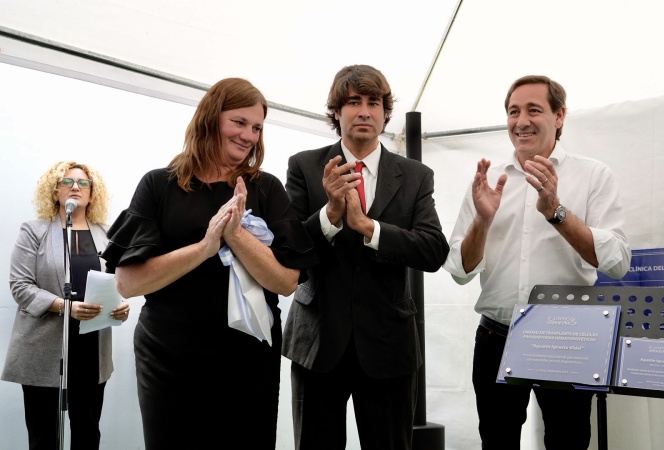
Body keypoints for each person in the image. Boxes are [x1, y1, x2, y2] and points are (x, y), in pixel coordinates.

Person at [101, 77, 317, 450]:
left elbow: (285, 283)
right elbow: (128, 283)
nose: (248, 136)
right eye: (239, 122)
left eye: (257, 128)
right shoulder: (159, 186)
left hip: (248, 359)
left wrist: (237, 236)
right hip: (169, 356)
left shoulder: (265, 189)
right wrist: (205, 246)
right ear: (210, 118)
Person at [443, 75, 632, 450]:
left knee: (568, 441)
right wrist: (482, 221)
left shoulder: (593, 175)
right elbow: (460, 271)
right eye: (513, 112)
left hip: (566, 335)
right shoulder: (488, 179)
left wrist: (556, 212)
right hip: (496, 337)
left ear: (559, 116)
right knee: (496, 442)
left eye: (533, 110)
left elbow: (618, 261)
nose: (521, 121)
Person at [281, 64, 450, 450]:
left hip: (389, 345)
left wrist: (368, 228)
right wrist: (330, 216)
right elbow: (289, 249)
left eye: (374, 103)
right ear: (336, 112)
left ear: (385, 113)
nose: (364, 111)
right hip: (318, 341)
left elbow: (433, 250)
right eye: (353, 102)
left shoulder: (415, 175)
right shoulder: (304, 166)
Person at [2, 161, 131, 450]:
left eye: (83, 183)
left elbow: (118, 282)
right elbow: (20, 286)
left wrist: (120, 305)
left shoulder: (107, 234)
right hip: (44, 349)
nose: (75, 187)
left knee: (88, 434)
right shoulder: (34, 231)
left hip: (91, 348)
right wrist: (65, 306)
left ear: (92, 193)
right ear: (54, 191)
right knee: (44, 436)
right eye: (67, 182)